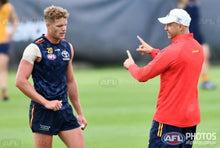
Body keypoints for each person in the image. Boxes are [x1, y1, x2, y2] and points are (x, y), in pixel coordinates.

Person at [124, 8, 204, 147]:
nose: (165, 28)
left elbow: (142, 75)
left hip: (169, 121)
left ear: (180, 26)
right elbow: (178, 61)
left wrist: (131, 65)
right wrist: (154, 51)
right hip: (191, 120)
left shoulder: (171, 52)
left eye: (169, 25)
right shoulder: (197, 47)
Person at [15, 5, 87, 148]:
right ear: (48, 25)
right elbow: (20, 81)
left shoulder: (67, 47)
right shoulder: (35, 48)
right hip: (43, 112)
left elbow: (70, 81)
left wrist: (79, 113)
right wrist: (46, 102)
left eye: (65, 25)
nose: (64, 29)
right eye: (59, 26)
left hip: (64, 110)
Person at [178, 0, 216, 90]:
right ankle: (183, 82)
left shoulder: (196, 3)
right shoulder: (183, 4)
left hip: (197, 33)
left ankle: (205, 81)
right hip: (188, 34)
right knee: (185, 60)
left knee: (205, 54)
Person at [0, 0, 18, 100]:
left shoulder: (8, 7)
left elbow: (15, 20)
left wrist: (11, 33)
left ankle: (3, 91)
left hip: (3, 41)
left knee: (2, 67)